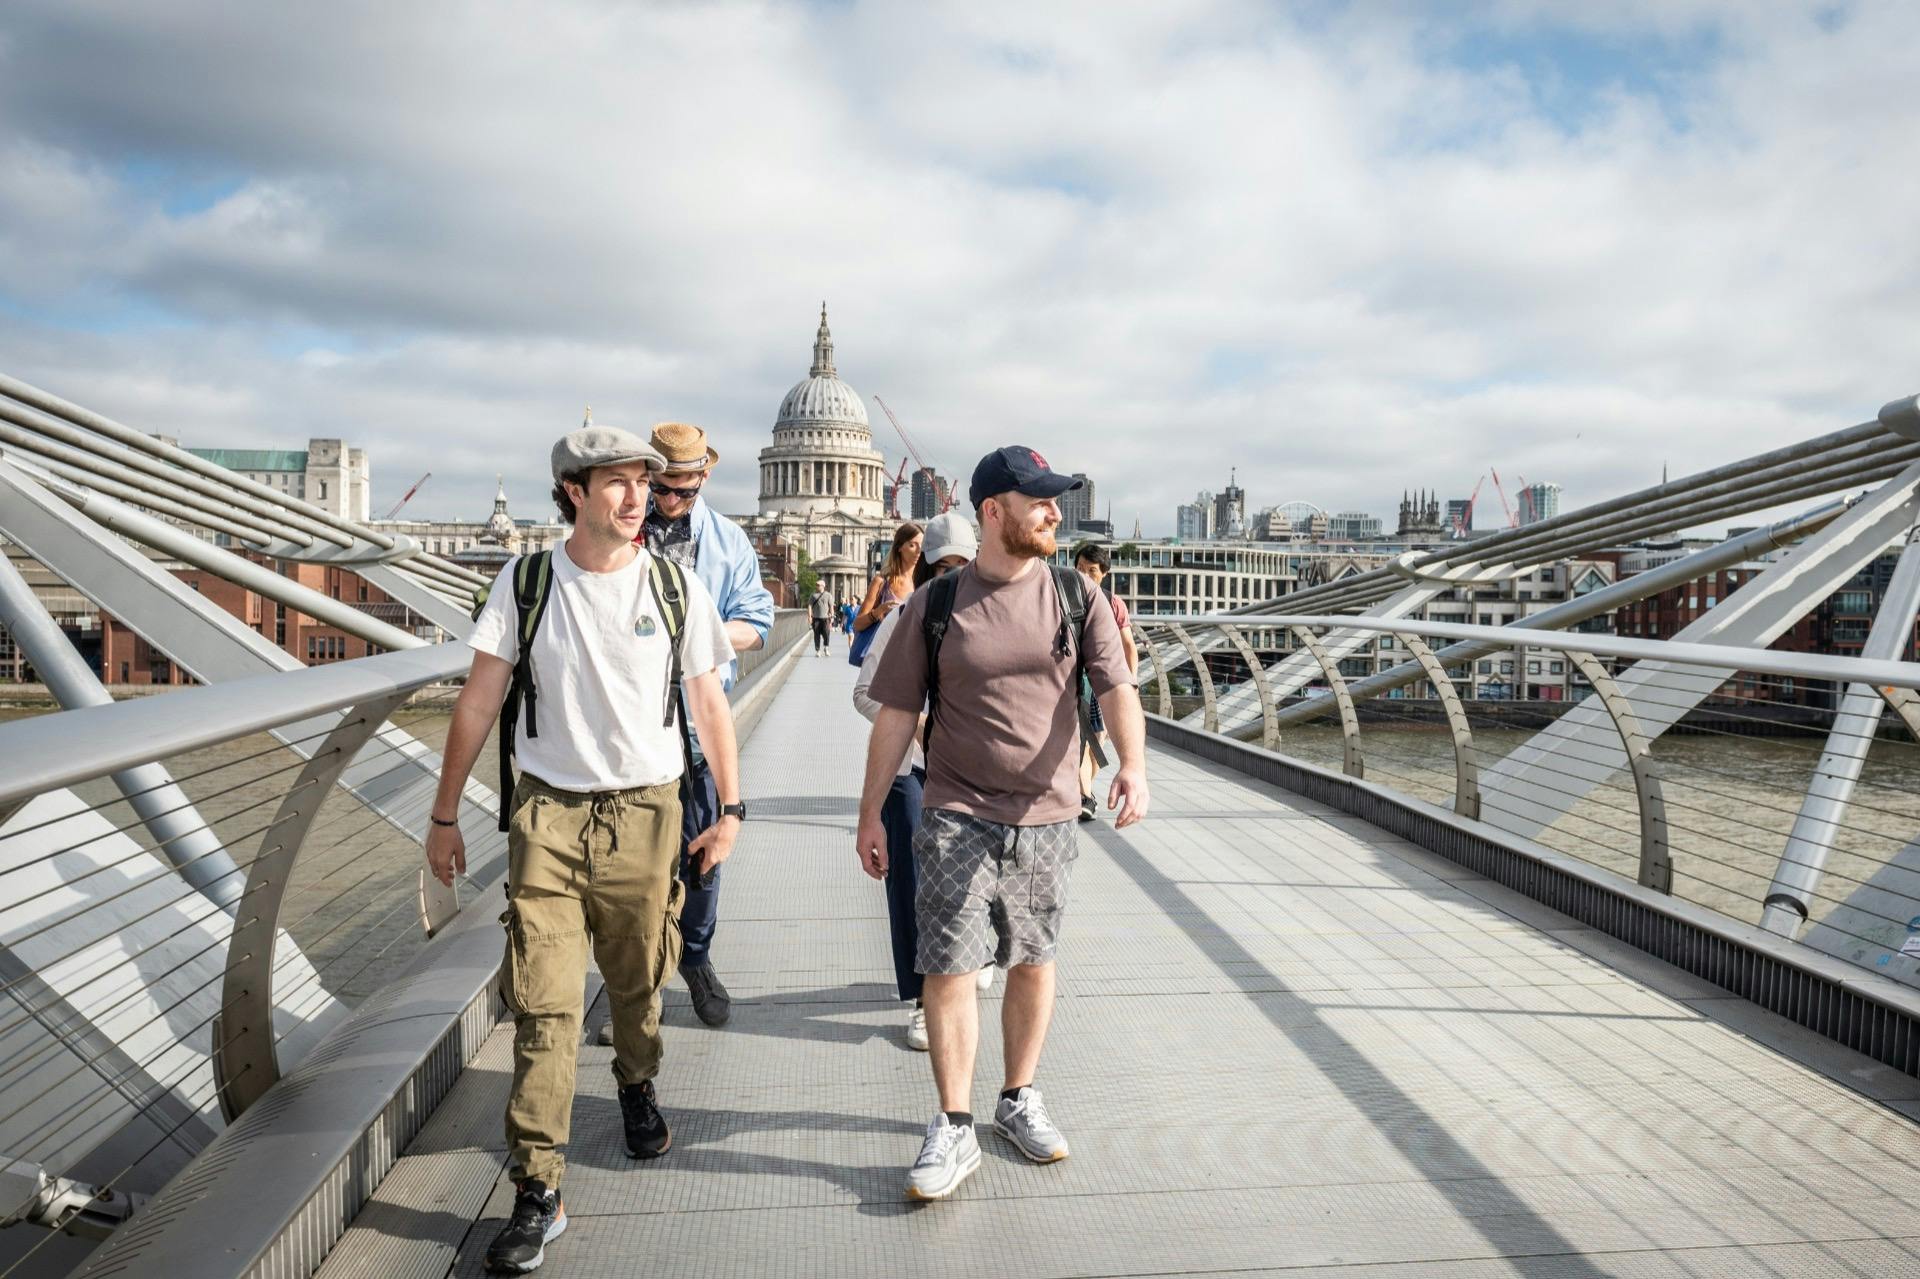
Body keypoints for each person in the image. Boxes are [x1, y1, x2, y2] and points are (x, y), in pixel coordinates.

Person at [426, 422, 743, 1274]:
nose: (639, 496)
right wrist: (445, 814)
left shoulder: (676, 589)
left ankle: (637, 1081)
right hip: (548, 819)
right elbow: (477, 703)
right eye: (618, 482)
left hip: (649, 812)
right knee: (546, 999)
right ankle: (538, 1186)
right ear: (573, 489)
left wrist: (733, 808)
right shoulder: (525, 582)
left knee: (639, 978)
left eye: (645, 481)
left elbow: (709, 704)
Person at [857, 446, 1149, 1202]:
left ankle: (1017, 1096)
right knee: (948, 965)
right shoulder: (937, 603)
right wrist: (871, 813)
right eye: (1040, 500)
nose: (1055, 512)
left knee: (1033, 956)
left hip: (1048, 813)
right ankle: (954, 1123)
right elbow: (896, 714)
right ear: (994, 511)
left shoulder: (1075, 596)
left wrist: (1133, 765)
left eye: (1056, 500)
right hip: (955, 810)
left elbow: (1117, 688)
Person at [623, 421, 775, 1030]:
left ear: (703, 478)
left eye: (681, 491)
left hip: (699, 728)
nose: (666, 502)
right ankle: (639, 986)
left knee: (704, 857)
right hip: (629, 728)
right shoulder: (618, 532)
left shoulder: (730, 541)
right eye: (658, 488)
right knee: (635, 867)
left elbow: (757, 621)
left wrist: (695, 640)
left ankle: (697, 958)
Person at [852, 511, 991, 1052]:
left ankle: (975, 951)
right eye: (944, 567)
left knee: (978, 871)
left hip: (973, 769)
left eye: (964, 565)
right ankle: (916, 999)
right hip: (911, 767)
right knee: (909, 877)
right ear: (928, 566)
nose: (954, 576)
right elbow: (864, 692)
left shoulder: (992, 613)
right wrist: (916, 723)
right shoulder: (906, 613)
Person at [1071, 541, 1140, 821]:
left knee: (1097, 740)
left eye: (1092, 571)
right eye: (1080, 569)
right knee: (1080, 742)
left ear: (1104, 574)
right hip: (1075, 681)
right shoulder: (1065, 597)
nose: (1085, 576)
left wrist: (1130, 685)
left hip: (1105, 683)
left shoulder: (1113, 603)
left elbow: (1128, 646)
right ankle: (1084, 796)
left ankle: (1086, 792)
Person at [853, 523, 922, 642]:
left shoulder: (925, 583)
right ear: (899, 547)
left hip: (915, 654)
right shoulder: (881, 582)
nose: (919, 550)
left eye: (922, 545)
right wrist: (878, 612)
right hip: (884, 653)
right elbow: (858, 624)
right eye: (912, 545)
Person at [809, 585, 836, 655]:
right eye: (816, 585)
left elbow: (831, 607)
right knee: (816, 635)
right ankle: (818, 650)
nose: (817, 586)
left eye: (818, 585)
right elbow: (809, 606)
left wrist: (832, 617)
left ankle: (826, 648)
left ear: (823, 586)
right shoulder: (813, 595)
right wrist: (809, 616)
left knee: (826, 634)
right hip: (816, 618)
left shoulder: (828, 595)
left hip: (825, 618)